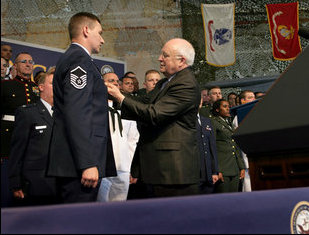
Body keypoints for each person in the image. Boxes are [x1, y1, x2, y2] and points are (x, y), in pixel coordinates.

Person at [106, 38, 201, 198]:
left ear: (181, 60)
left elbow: (155, 114)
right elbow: (143, 102)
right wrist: (115, 94)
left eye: (165, 55)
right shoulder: (165, 83)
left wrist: (120, 98)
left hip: (172, 172)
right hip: (156, 167)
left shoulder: (186, 84)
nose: (159, 58)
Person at [46, 12, 116, 203]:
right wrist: (87, 163)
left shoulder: (77, 59)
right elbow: (78, 113)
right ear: (86, 30)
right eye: (99, 33)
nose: (102, 40)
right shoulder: (79, 60)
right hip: (78, 166)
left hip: (74, 163)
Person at [8, 67, 58, 206]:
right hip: (35, 184)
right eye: (53, 83)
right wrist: (15, 183)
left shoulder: (64, 115)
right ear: (41, 87)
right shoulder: (28, 113)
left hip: (60, 184)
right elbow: (17, 151)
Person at [97, 72, 140, 202]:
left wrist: (131, 167)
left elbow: (133, 140)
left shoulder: (127, 108)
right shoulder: (95, 108)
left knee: (120, 209)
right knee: (101, 208)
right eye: (111, 81)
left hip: (123, 167)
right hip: (103, 167)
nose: (115, 83)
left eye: (116, 81)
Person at [211, 99, 245, 193]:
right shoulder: (213, 122)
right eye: (224, 106)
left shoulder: (228, 122)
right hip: (223, 168)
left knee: (234, 198)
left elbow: (233, 145)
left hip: (234, 168)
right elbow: (212, 146)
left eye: (228, 107)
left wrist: (241, 167)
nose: (228, 109)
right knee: (223, 200)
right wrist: (216, 170)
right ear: (217, 109)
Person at [232, 90, 256, 192]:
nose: (254, 99)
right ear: (242, 101)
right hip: (246, 155)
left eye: (254, 97)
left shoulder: (256, 113)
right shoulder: (238, 118)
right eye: (250, 97)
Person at [197, 97, 219, 194]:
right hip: (195, 174)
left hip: (209, 173)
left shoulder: (206, 121)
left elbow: (212, 147)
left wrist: (215, 171)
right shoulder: (185, 122)